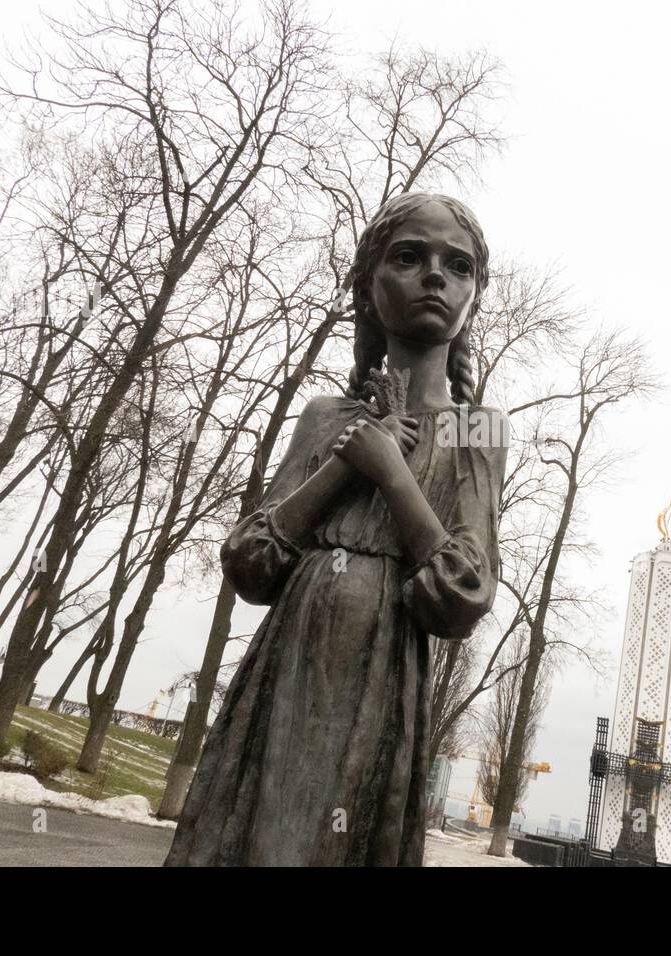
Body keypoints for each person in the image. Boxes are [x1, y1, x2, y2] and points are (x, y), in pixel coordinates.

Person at [164, 193, 508, 866]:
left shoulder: (476, 431)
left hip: (382, 677)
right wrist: (344, 465)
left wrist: (391, 473)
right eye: (409, 257)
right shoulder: (325, 417)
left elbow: (462, 592)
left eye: (458, 265)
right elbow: (252, 564)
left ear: (473, 296)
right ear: (368, 286)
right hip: (286, 667)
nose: (435, 277)